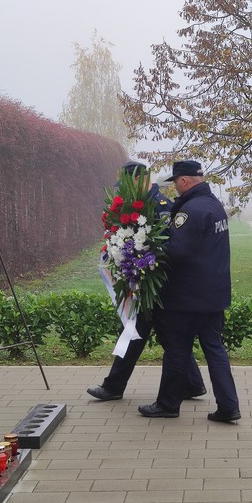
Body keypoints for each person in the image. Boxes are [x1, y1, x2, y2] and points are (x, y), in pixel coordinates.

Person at [88, 162, 206, 402]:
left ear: (141, 181)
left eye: (127, 185)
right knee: (159, 335)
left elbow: (169, 246)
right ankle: (192, 383)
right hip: (144, 284)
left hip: (158, 284)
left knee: (138, 332)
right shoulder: (138, 205)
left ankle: (113, 387)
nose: (124, 191)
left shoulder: (162, 206)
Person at [138, 160, 241, 422]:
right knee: (215, 349)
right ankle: (229, 406)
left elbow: (177, 251)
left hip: (187, 297)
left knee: (176, 349)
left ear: (184, 181)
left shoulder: (190, 210)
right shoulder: (213, 205)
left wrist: (147, 254)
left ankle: (167, 405)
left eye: (175, 183)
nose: (174, 188)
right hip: (213, 294)